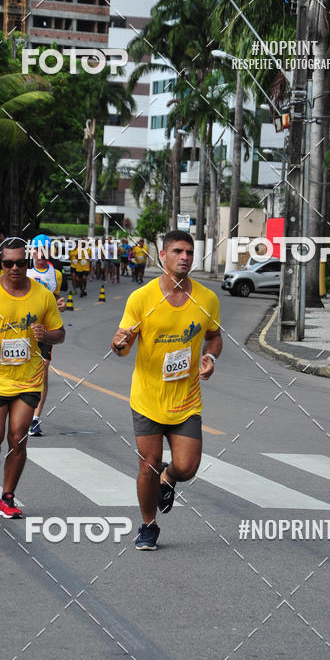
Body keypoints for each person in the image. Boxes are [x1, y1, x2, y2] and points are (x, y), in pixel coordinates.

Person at [111, 229, 222, 551]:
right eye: (178, 251)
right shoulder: (142, 298)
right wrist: (120, 344)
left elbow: (214, 336)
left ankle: (169, 477)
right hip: (147, 397)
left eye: (189, 252)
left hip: (186, 399)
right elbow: (120, 344)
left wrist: (210, 356)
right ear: (163, 256)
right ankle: (148, 525)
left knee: (187, 467)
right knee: (147, 463)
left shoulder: (207, 299)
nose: (185, 257)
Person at [0, 237, 65, 518]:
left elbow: (60, 334)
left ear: (27, 263)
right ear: (0, 264)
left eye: (20, 263)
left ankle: (7, 497)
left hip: (28, 378)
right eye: (8, 263)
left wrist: (46, 335)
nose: (14, 268)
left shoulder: (42, 295)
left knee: (18, 437)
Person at [26, 234, 66, 437]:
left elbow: (56, 298)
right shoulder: (23, 270)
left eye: (44, 250)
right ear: (31, 251)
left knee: (43, 371)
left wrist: (61, 303)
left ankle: (35, 419)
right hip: (22, 328)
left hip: (45, 329)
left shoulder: (56, 274)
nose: (40, 254)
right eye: (37, 250)